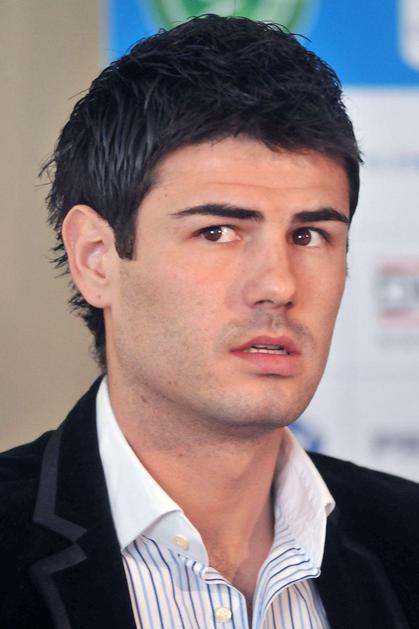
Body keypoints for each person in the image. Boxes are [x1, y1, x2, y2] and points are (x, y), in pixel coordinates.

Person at [1, 13, 418, 629]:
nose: (278, 286)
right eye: (218, 232)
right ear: (96, 258)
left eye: (309, 235)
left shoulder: (406, 539)